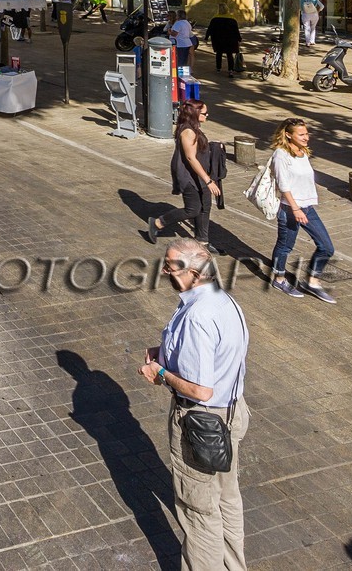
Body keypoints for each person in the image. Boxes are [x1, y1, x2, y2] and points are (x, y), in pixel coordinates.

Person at [138, 239, 250, 571]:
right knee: (227, 499)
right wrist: (167, 353)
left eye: (171, 266)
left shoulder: (196, 316)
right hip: (231, 413)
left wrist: (161, 372)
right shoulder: (222, 299)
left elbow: (200, 390)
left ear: (194, 272)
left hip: (201, 423)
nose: (165, 271)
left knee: (198, 511)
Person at [267, 118, 337, 303]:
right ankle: (279, 278)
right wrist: (295, 209)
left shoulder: (303, 152)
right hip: (290, 209)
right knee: (285, 246)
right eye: (302, 134)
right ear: (288, 135)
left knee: (326, 247)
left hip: (307, 207)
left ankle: (312, 281)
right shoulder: (281, 155)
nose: (307, 137)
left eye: (306, 133)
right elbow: (283, 185)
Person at [148, 100, 219, 244]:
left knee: (205, 207)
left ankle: (202, 241)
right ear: (195, 113)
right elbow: (190, 158)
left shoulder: (194, 128)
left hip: (201, 175)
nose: (207, 115)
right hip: (189, 177)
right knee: (192, 210)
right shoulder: (188, 131)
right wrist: (208, 181)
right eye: (205, 113)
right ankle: (158, 223)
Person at [204, 10, 244, 76]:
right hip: (230, 40)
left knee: (219, 54)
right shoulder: (232, 19)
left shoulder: (215, 19)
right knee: (229, 55)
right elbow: (236, 30)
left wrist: (206, 37)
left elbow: (210, 29)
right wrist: (239, 39)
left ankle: (218, 68)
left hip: (218, 39)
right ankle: (230, 70)